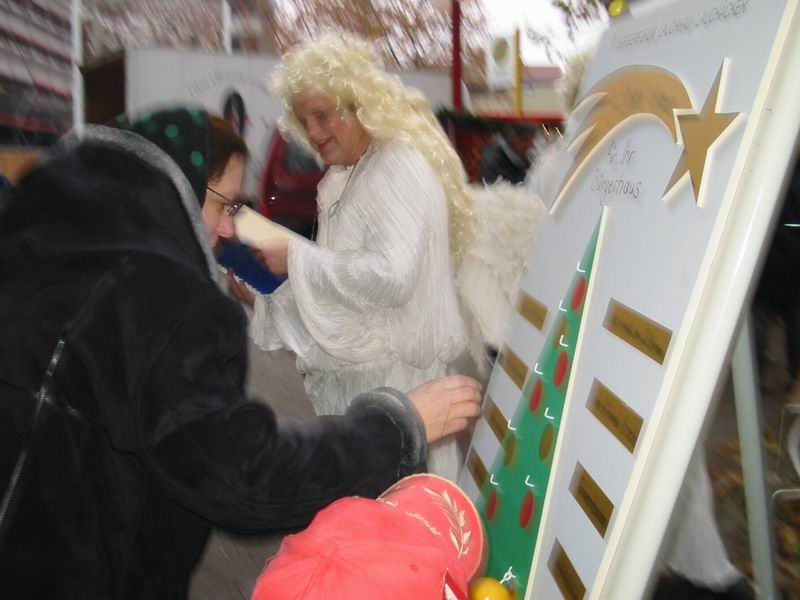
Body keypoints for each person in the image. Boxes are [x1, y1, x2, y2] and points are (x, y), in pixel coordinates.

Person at [0, 107, 482, 599]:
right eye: (224, 204)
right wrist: (398, 427)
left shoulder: (32, 243)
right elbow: (249, 475)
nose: (229, 230)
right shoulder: (163, 301)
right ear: (180, 185)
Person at [232, 36, 475, 481]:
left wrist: (297, 258)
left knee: (398, 519)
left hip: (403, 400)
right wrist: (269, 291)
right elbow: (348, 302)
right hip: (379, 405)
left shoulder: (396, 166)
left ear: (361, 104)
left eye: (323, 115)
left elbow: (391, 278)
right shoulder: (354, 173)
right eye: (304, 120)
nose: (314, 132)